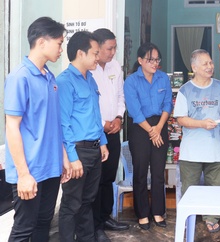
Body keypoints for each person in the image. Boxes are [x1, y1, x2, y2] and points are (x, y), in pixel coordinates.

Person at [4, 16, 69, 242]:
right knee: (24, 229)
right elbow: (11, 127)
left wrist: (64, 159)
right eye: (59, 43)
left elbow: (54, 125)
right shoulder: (19, 78)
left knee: (43, 225)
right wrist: (23, 174)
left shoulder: (50, 77)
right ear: (42, 42)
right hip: (29, 170)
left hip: (50, 168)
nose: (62, 49)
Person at [173, 49, 220, 233]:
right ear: (194, 67)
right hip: (192, 151)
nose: (210, 67)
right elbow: (180, 119)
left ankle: (211, 218)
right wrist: (201, 123)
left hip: (216, 149)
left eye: (211, 63)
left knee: (217, 186)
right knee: (189, 187)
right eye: (205, 64)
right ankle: (188, 216)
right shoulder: (185, 90)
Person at [58, 31, 109, 242]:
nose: (98, 57)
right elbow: (63, 123)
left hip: (95, 149)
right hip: (77, 151)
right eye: (95, 53)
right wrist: (72, 157)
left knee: (88, 201)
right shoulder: (65, 82)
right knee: (72, 204)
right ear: (80, 53)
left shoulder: (90, 79)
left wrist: (103, 143)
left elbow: (96, 115)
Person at [124, 42, 173, 230]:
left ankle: (158, 212)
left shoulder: (163, 78)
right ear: (140, 61)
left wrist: (159, 127)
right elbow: (135, 111)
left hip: (160, 125)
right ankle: (142, 214)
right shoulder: (131, 81)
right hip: (140, 128)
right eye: (150, 60)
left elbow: (168, 104)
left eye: (157, 59)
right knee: (141, 172)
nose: (154, 63)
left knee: (159, 172)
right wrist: (151, 131)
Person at [91, 28, 128, 241]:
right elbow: (89, 104)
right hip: (95, 132)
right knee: (94, 180)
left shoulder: (115, 66)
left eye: (115, 48)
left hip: (113, 130)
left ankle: (105, 217)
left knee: (108, 177)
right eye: (109, 48)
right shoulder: (90, 68)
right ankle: (95, 225)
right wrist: (103, 123)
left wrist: (118, 118)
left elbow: (120, 95)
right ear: (97, 46)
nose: (113, 52)